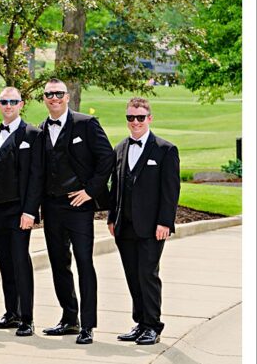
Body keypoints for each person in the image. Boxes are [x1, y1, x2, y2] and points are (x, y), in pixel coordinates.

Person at [40, 77, 114, 345]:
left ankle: (88, 325)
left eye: (59, 93)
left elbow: (107, 158)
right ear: (44, 98)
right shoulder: (41, 129)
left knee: (84, 262)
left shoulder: (86, 123)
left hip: (79, 206)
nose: (54, 98)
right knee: (59, 263)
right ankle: (69, 318)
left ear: (67, 96)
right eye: (49, 94)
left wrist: (90, 191)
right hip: (52, 206)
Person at [108, 97, 180, 345]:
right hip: (124, 226)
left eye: (140, 117)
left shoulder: (165, 150)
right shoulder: (120, 148)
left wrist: (165, 222)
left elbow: (171, 190)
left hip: (152, 227)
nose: (135, 122)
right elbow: (116, 187)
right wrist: (112, 217)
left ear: (149, 118)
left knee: (147, 274)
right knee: (132, 275)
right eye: (131, 117)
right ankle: (140, 322)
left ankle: (153, 326)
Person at [0, 87, 43, 337]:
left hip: (19, 211)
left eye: (13, 101)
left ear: (21, 104)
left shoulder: (32, 134)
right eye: (4, 101)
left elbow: (36, 176)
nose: (8, 106)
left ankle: (27, 317)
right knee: (4, 261)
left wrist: (30, 211)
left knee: (20, 261)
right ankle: (11, 312)